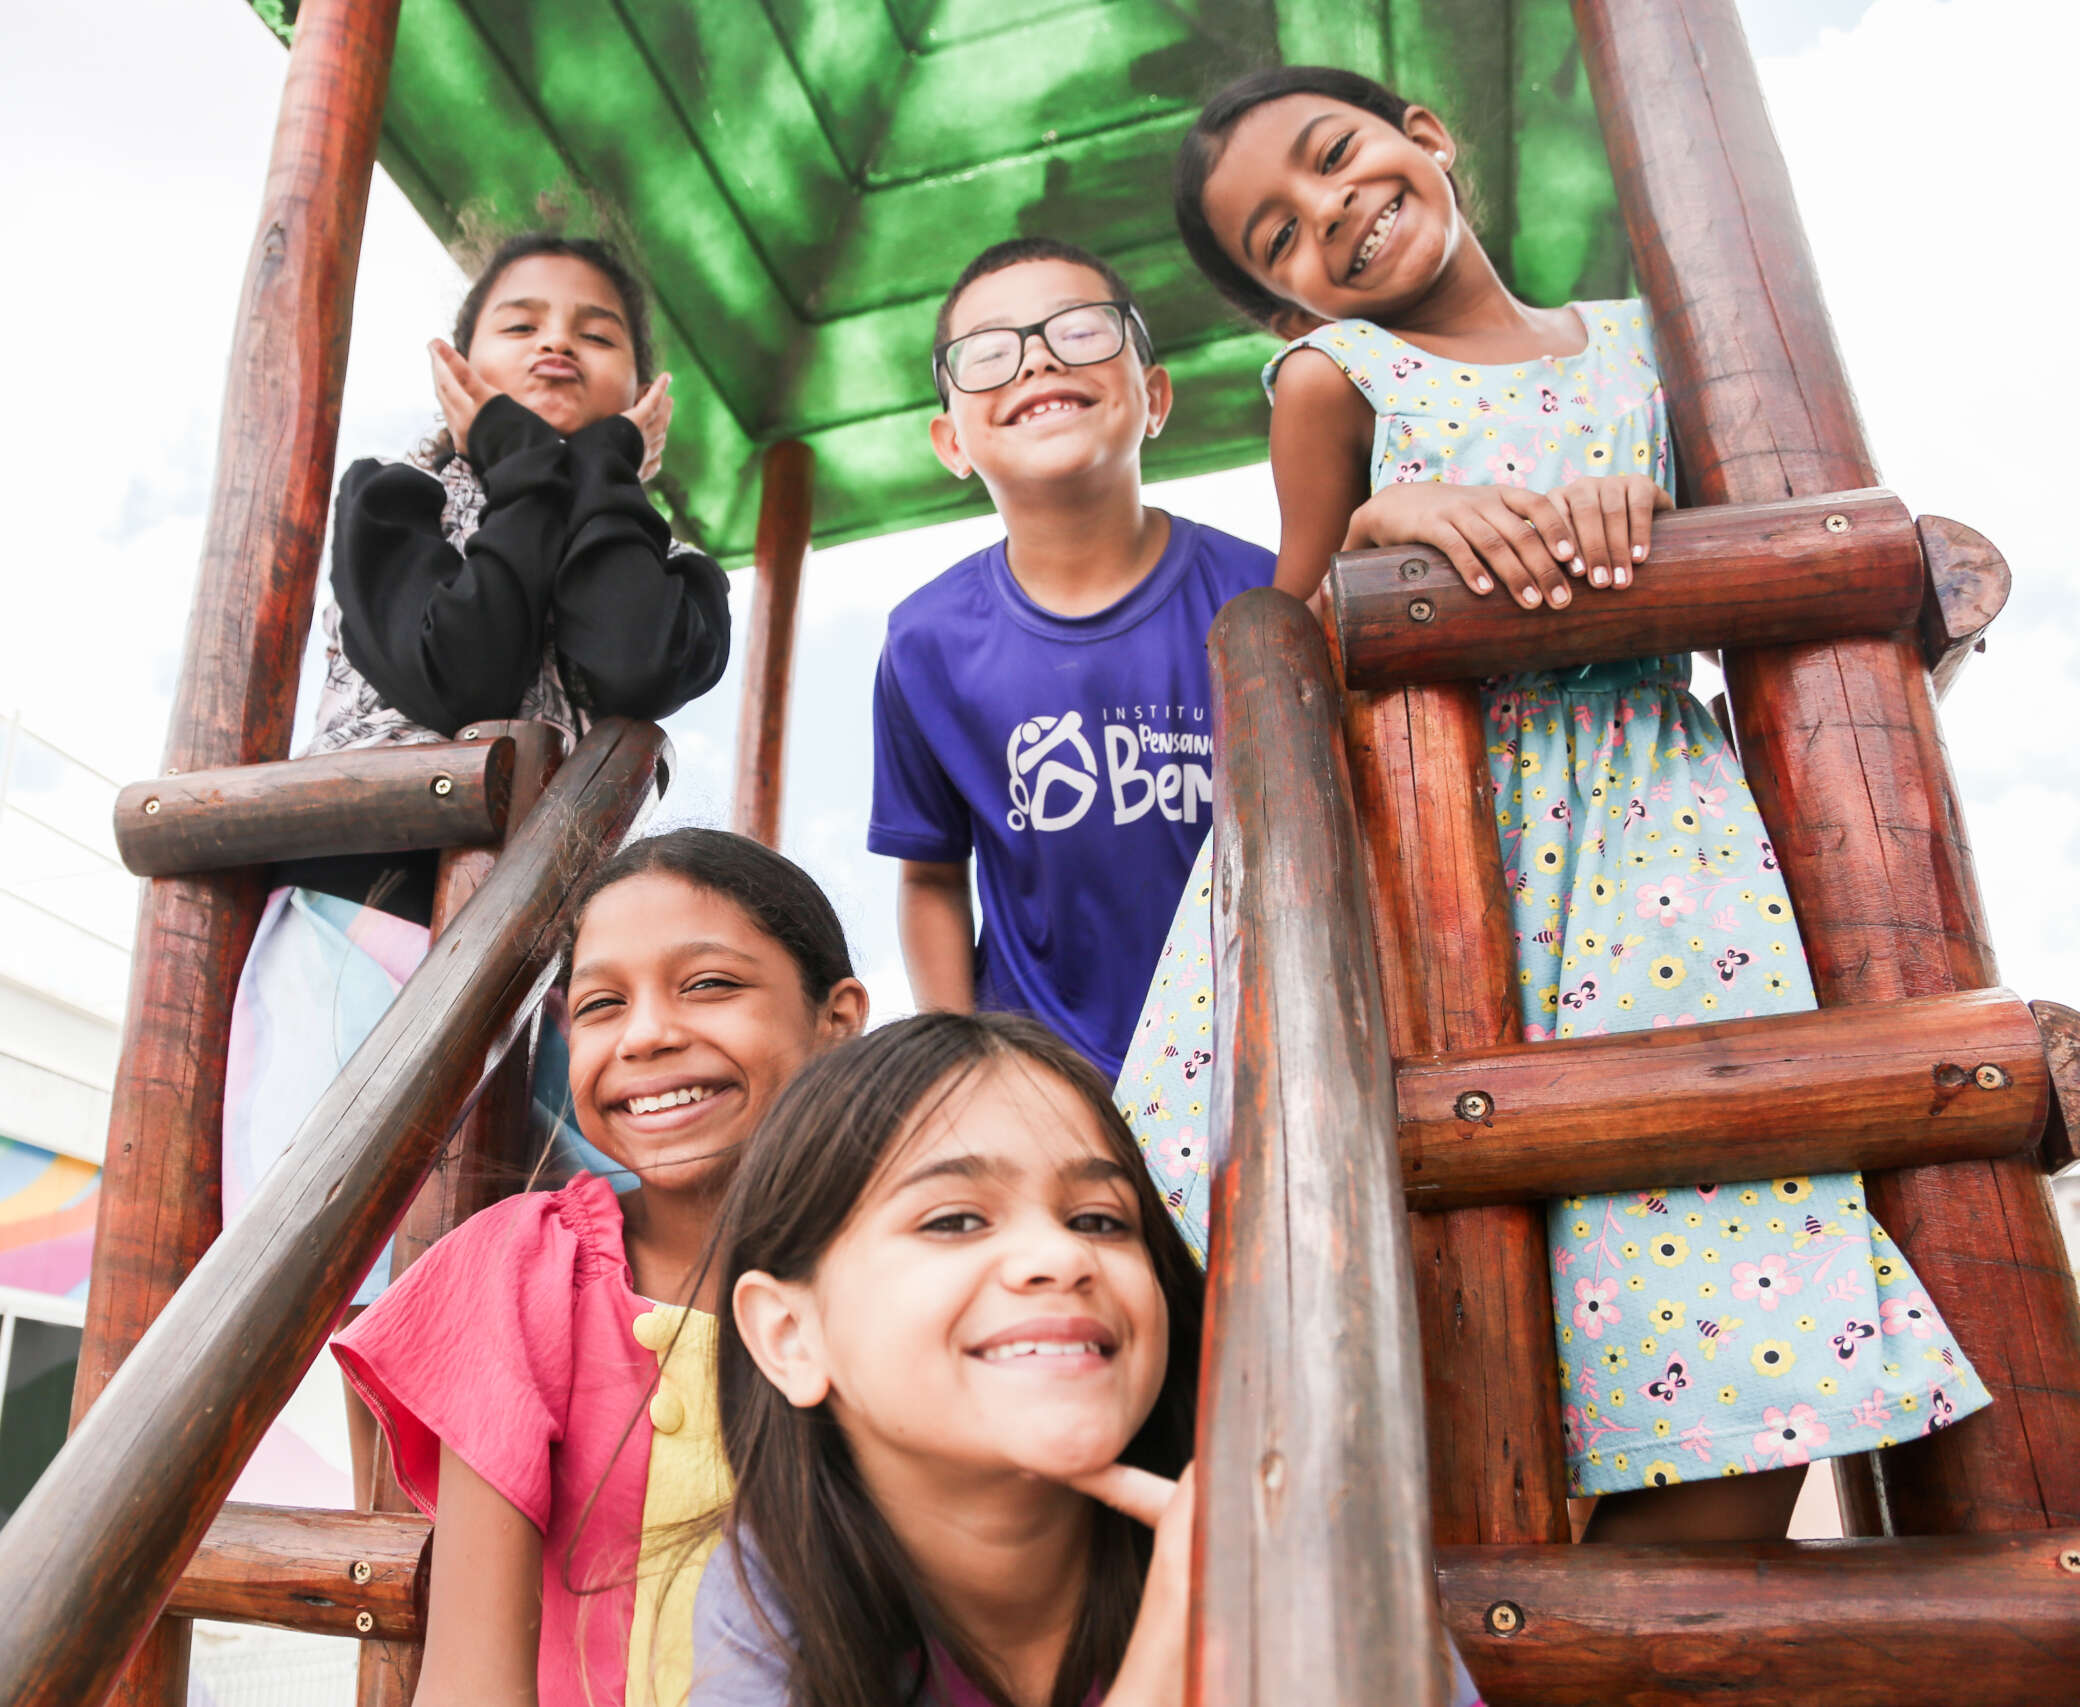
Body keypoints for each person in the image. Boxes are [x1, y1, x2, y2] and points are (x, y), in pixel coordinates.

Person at [1118, 66, 1988, 1540]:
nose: (1327, 213)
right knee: (1442, 1293)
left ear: (1428, 140)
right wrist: (1386, 537)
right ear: (1284, 309)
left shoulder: (1671, 349)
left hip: (1663, 851)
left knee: (1729, 1288)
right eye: (1277, 239)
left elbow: (1799, 587)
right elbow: (1284, 643)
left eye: (1336, 160)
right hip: (1436, 851)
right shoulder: (1336, 383)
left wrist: (1656, 535)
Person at [691, 1011, 1483, 1707]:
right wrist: (1175, 1644)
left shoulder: (1289, 1534)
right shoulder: (773, 1593)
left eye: (1100, 1220)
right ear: (791, 1335)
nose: (1060, 1255)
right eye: (958, 1219)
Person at [224, 231, 735, 1297]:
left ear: (643, 397)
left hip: (548, 962)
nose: (557, 344)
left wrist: (593, 478)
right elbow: (463, 673)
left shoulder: (675, 565)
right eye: (521, 325)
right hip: (367, 921)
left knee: (556, 1272)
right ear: (458, 369)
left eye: (595, 335)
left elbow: (631, 657)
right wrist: (516, 472)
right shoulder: (396, 500)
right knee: (366, 1268)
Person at [331, 829, 869, 1707]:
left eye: (710, 984)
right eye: (601, 1004)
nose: (648, 1034)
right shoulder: (521, 1273)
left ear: (836, 1020)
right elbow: (472, 1683)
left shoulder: (915, 1280)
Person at [870, 239, 1275, 1080]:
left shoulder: (1263, 594)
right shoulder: (925, 642)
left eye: (1083, 330)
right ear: (950, 442)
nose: (1039, 357)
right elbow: (933, 877)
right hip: (1045, 1082)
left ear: (1155, 396)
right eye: (987, 353)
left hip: (1261, 1056)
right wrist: (959, 1071)